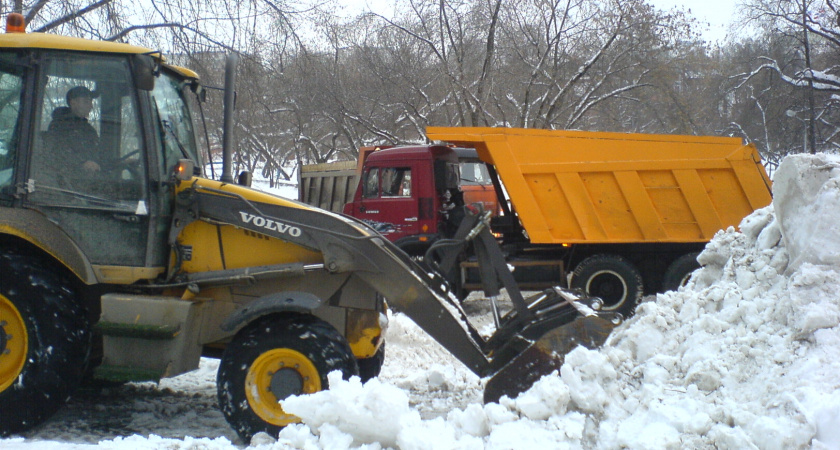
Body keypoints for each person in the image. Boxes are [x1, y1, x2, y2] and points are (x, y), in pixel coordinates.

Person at [48, 86, 101, 173]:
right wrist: (81, 164)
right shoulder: (59, 126)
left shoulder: (89, 130)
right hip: (66, 181)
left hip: (90, 180)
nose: (91, 106)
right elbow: (58, 155)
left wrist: (118, 162)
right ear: (73, 103)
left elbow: (98, 156)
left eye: (91, 102)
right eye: (86, 102)